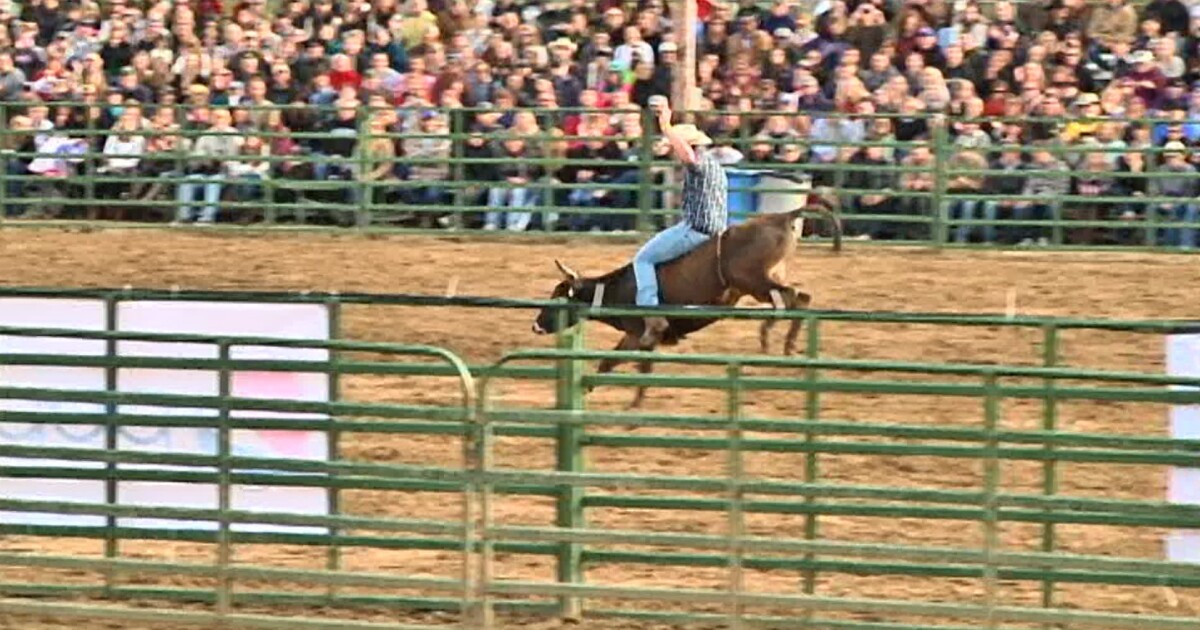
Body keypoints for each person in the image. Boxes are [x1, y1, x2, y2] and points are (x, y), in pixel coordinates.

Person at [633, 97, 729, 347]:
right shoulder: (716, 165)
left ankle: (651, 314)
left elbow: (687, 156)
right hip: (717, 230)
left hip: (696, 230)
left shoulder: (697, 164)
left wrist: (666, 126)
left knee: (643, 259)